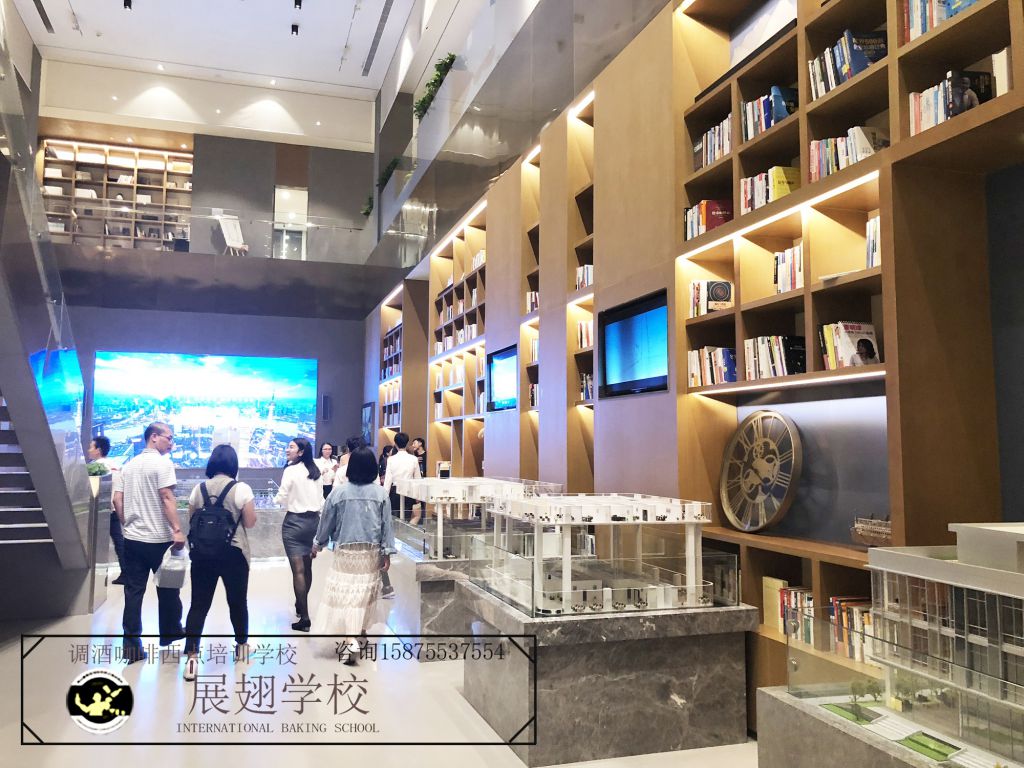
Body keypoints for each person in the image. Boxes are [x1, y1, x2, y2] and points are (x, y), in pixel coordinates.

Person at [311, 447, 395, 664]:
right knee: (364, 593)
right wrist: (387, 552)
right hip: (369, 552)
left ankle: (351, 638)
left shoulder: (338, 493)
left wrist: (318, 544)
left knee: (347, 594)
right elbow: (386, 526)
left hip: (345, 553)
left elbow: (326, 522)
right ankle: (358, 633)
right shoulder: (380, 494)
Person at [182, 444, 256, 681]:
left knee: (198, 605)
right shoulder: (241, 489)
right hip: (234, 553)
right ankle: (241, 647)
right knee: (237, 602)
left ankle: (192, 659)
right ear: (233, 464)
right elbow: (250, 522)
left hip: (203, 554)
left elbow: (191, 519)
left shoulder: (199, 489)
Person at [113, 422, 185, 663]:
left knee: (133, 592)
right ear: (154, 437)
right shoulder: (163, 464)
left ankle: (132, 648)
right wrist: (177, 530)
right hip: (160, 540)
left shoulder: (128, 466)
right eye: (169, 437)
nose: (171, 442)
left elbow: (117, 500)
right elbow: (167, 496)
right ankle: (170, 633)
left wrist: (126, 523)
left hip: (132, 540)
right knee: (168, 589)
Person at [274, 437, 322, 631]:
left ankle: (305, 617)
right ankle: (300, 604)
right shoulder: (315, 470)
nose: (287, 450)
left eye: (291, 447)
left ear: (301, 452)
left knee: (298, 571)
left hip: (294, 523)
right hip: (313, 523)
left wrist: (276, 500)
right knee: (307, 569)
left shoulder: (290, 470)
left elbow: (281, 496)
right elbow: (321, 499)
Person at [88, 436, 126, 585]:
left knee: (94, 543)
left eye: (91, 447)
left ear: (98, 450)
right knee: (118, 541)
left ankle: (93, 572)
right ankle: (126, 571)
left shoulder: (96, 467)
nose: (89, 450)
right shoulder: (115, 465)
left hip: (99, 511)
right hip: (113, 508)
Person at [382, 432, 422, 525]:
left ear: (395, 444)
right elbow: (417, 479)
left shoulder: (391, 459)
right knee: (407, 520)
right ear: (407, 443)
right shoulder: (413, 459)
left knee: (394, 520)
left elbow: (388, 481)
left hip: (395, 492)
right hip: (409, 492)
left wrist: (384, 497)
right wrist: (418, 496)